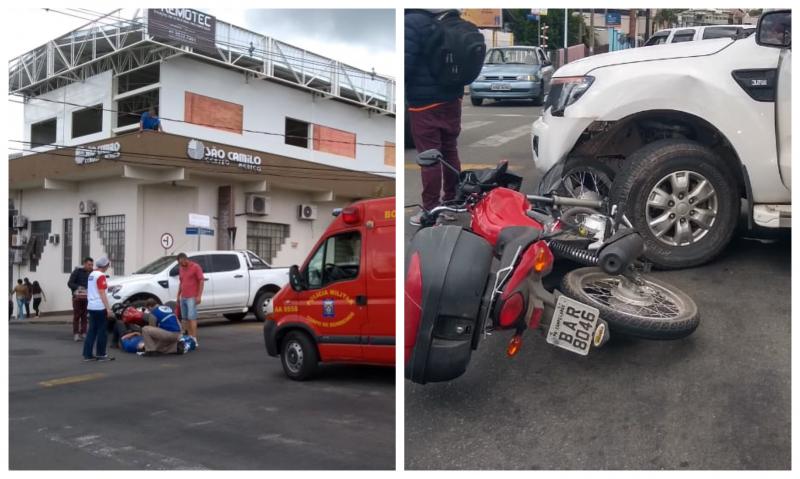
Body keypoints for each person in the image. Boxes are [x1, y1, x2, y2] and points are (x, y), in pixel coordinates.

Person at [405, 9, 483, 225]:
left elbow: (405, 65)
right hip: (452, 99)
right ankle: (452, 201)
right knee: (449, 151)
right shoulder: (450, 20)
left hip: (424, 103)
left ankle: (431, 209)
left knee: (429, 158)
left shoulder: (412, 22)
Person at [82, 256, 115, 362]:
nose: (108, 267)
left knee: (92, 331)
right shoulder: (101, 276)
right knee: (102, 331)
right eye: (108, 265)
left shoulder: (91, 274)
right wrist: (108, 309)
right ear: (105, 265)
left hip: (91, 306)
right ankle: (101, 354)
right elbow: (101, 292)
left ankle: (87, 355)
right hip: (100, 307)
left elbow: (94, 289)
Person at [176, 252, 204, 345]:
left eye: (182, 262)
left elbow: (201, 281)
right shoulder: (181, 268)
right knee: (184, 319)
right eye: (180, 263)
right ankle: (188, 337)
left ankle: (194, 338)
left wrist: (199, 296)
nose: (181, 265)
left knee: (192, 317)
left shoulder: (195, 267)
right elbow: (181, 282)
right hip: (183, 297)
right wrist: (178, 296)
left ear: (185, 259)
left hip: (192, 297)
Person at [68, 257, 93, 341]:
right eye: (89, 265)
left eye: (92, 265)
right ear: (84, 264)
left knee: (85, 316)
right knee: (77, 316)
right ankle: (76, 334)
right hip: (77, 298)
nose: (91, 266)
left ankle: (84, 333)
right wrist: (79, 287)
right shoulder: (77, 272)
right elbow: (70, 283)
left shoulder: (92, 273)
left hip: (87, 298)